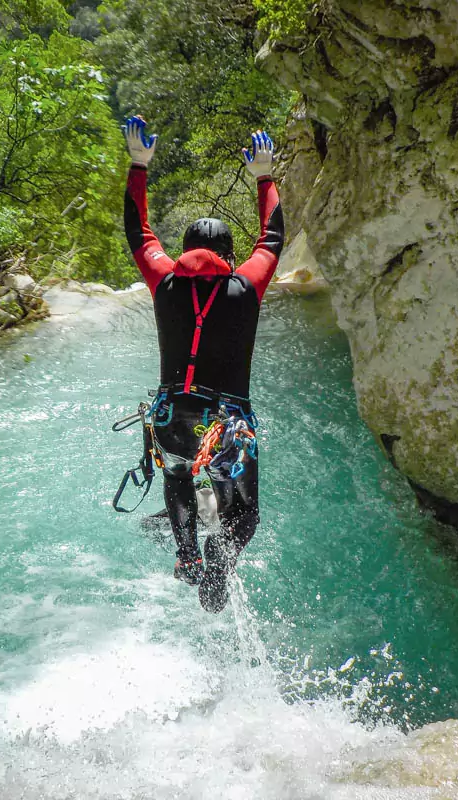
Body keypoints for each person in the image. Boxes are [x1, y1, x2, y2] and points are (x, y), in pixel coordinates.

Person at [121, 115, 284, 613]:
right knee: (246, 515)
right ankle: (219, 559)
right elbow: (273, 237)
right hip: (226, 425)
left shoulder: (165, 282)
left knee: (176, 476)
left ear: (188, 250)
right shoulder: (245, 286)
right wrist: (264, 176)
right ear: (228, 255)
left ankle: (187, 552)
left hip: (172, 419)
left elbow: (138, 232)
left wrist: (138, 164)